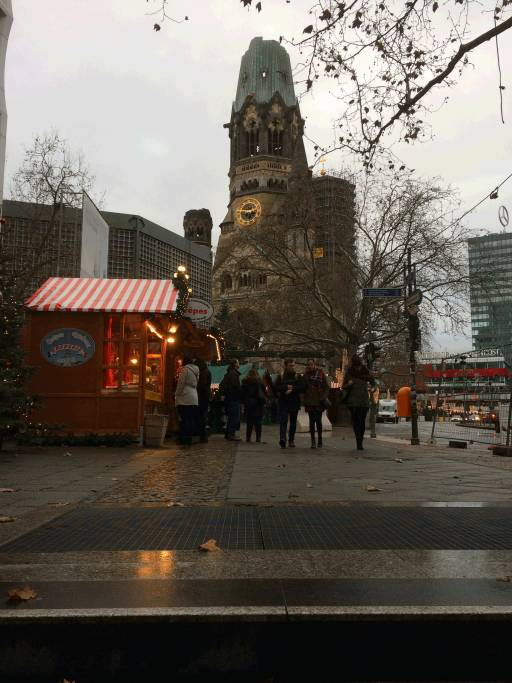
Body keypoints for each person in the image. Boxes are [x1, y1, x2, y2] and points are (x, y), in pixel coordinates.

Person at [342, 353, 373, 450]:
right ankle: (358, 441)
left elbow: (373, 382)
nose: (358, 366)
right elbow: (344, 385)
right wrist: (349, 384)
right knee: (356, 422)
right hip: (353, 401)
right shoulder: (349, 372)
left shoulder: (365, 371)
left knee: (362, 422)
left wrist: (372, 388)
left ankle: (361, 440)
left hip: (363, 400)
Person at [275, 359, 303, 448]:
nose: (292, 367)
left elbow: (302, 387)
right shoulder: (281, 376)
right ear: (286, 366)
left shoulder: (297, 376)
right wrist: (286, 387)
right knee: (283, 421)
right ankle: (282, 439)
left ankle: (291, 440)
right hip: (283, 401)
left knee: (293, 423)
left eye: (293, 365)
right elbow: (276, 387)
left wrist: (292, 389)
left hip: (294, 401)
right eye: (290, 365)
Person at [303, 358, 329, 449]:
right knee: (311, 422)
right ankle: (313, 441)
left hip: (319, 400)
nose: (310, 366)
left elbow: (326, 387)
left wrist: (323, 397)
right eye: (308, 364)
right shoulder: (305, 375)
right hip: (309, 401)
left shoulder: (320, 373)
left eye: (311, 364)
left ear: (314, 364)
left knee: (318, 421)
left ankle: (320, 440)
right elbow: (303, 388)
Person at [174, 357, 199, 447]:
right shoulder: (196, 370)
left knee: (184, 420)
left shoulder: (185, 370)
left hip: (184, 397)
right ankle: (189, 439)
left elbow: (181, 383)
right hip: (194, 396)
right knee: (191, 419)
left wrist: (176, 394)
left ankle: (184, 439)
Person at [241, 368, 267, 443]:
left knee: (249, 422)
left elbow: (242, 394)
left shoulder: (245, 382)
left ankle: (248, 438)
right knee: (258, 422)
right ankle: (258, 438)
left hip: (248, 403)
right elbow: (264, 392)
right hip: (258, 403)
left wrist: (243, 403)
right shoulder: (260, 382)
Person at [220, 359, 242, 441]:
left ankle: (228, 434)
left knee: (231, 417)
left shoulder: (229, 373)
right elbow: (235, 386)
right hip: (233, 398)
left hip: (230, 398)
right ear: (235, 364)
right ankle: (231, 434)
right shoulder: (233, 374)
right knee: (234, 417)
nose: (239, 364)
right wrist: (240, 392)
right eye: (238, 362)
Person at [196, 358, 212, 443]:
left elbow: (202, 385)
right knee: (203, 416)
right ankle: (203, 436)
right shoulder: (207, 371)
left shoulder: (203, 373)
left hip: (202, 397)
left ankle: (203, 436)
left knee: (201, 416)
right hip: (205, 396)